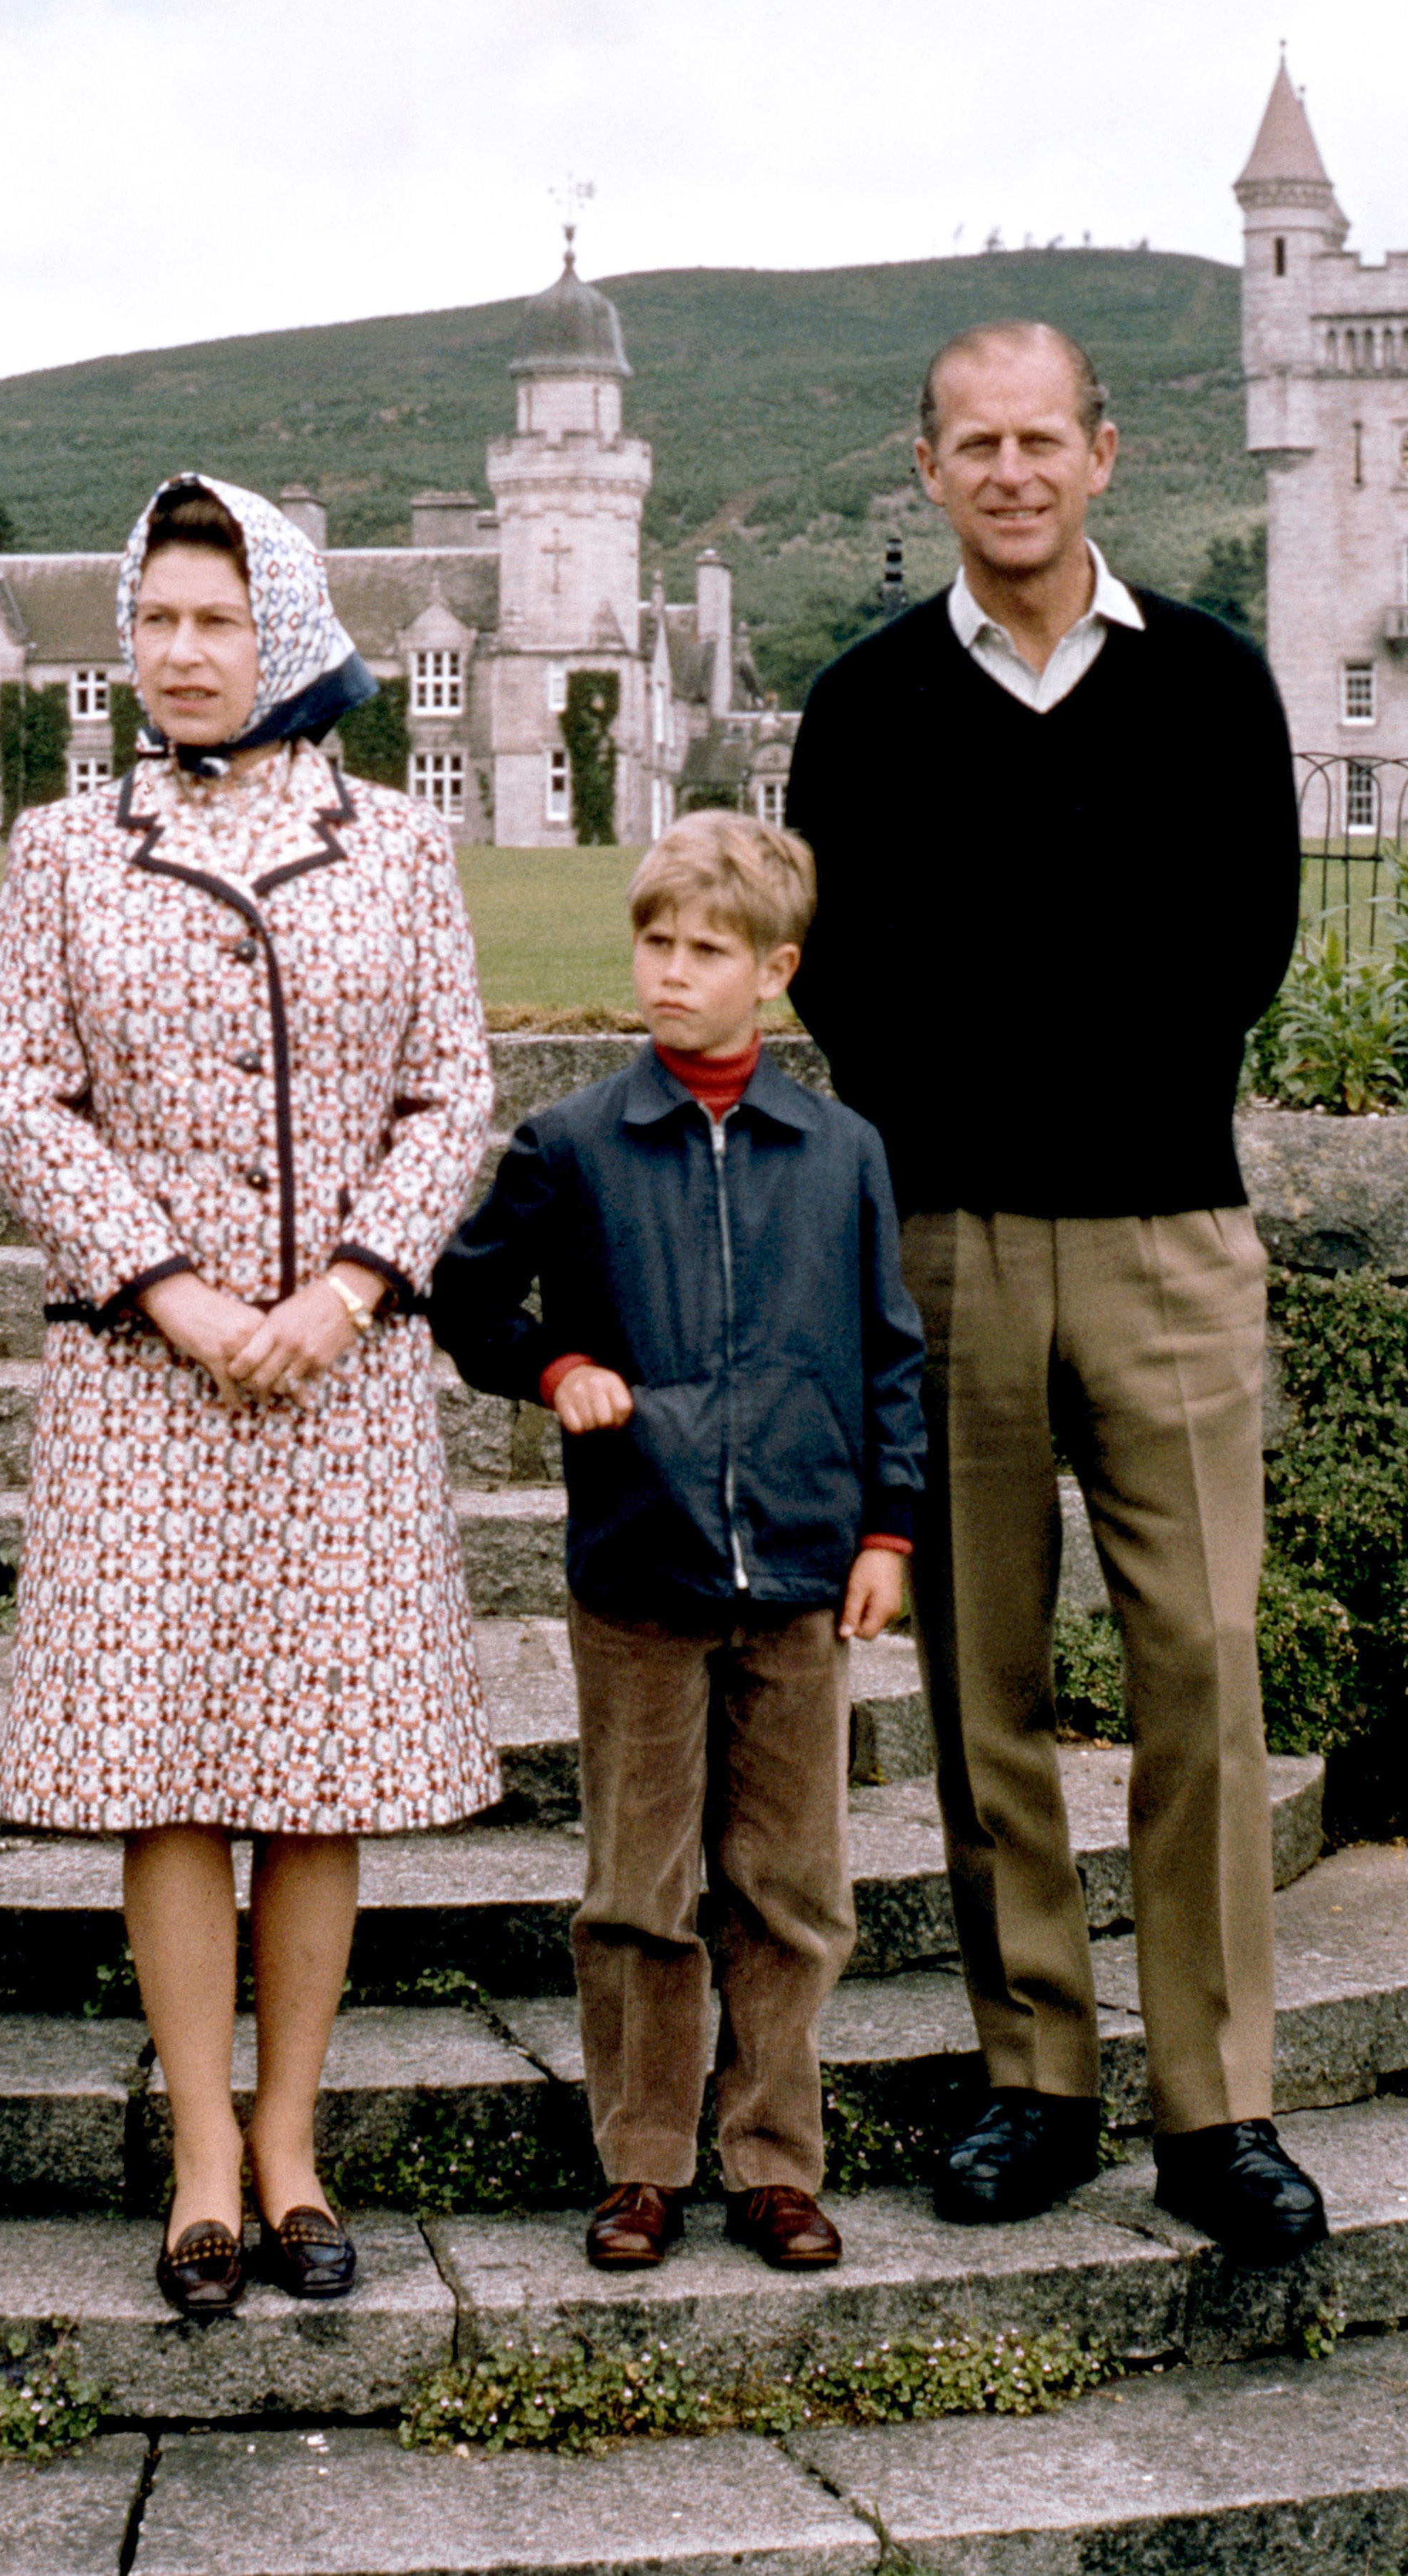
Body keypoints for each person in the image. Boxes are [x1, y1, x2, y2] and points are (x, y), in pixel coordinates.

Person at [781, 321, 1326, 2260]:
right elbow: (850, 979)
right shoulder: (861, 709)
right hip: (948, 1241)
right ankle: (1036, 2078)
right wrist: (997, 1068)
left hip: (1167, 1229)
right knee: (981, 1678)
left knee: (1196, 1662)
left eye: (1042, 438)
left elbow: (1233, 942)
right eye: (972, 443)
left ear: (1101, 454)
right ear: (925, 468)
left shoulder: (1212, 686)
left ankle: (1215, 2105)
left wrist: (1038, 1036)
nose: (1010, 471)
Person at [0, 471, 501, 2319]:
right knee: (171, 1772)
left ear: (280, 627)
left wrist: (355, 1282)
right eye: (153, 620)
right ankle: (199, 2149)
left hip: (342, 1379)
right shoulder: (62, 845)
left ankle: (294, 2139)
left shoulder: (400, 846)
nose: (179, 655)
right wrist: (179, 1294)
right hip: (145, 1376)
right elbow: (25, 1095)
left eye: (213, 619)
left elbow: (453, 1092)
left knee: (320, 1767)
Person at [430, 813, 922, 2274]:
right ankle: (639, 2161)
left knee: (790, 1889)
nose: (671, 973)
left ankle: (772, 2157)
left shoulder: (839, 1154)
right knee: (637, 1890)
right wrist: (551, 1367)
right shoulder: (574, 1143)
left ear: (770, 973)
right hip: (637, 1576)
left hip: (798, 1579)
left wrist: (886, 1530)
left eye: (705, 952)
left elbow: (891, 1355)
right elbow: (464, 1301)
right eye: (653, 943)